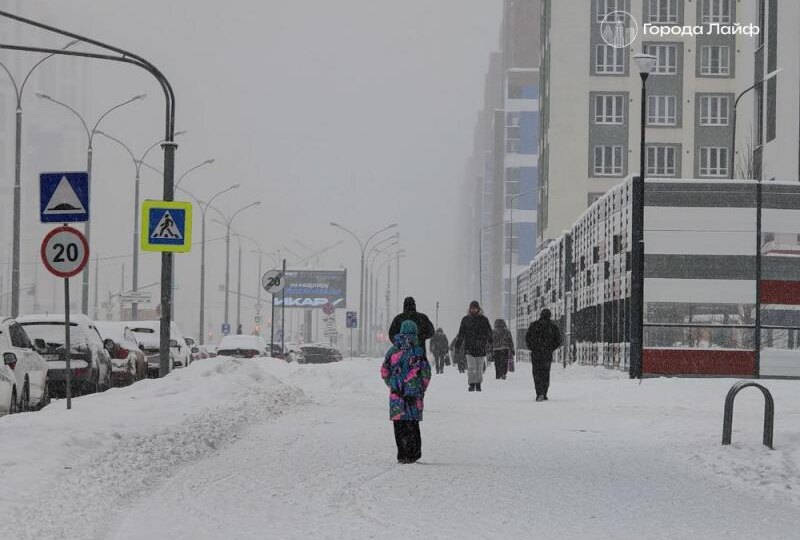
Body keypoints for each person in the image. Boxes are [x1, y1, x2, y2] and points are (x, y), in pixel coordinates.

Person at [381, 320, 431, 464]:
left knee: (399, 426)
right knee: (413, 424)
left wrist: (392, 383)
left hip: (397, 395)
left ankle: (402, 454)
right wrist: (421, 388)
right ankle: (413, 453)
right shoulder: (418, 351)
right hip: (414, 395)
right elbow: (426, 373)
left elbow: (384, 371)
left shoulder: (392, 351)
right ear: (415, 333)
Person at [453, 300, 492, 392]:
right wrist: (457, 346)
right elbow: (461, 334)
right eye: (472, 308)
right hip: (469, 348)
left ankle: (478, 384)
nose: (474, 310)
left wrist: (489, 342)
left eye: (475, 308)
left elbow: (489, 332)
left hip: (481, 348)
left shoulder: (484, 319)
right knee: (471, 367)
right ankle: (471, 383)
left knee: (479, 367)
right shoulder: (465, 320)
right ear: (470, 309)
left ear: (478, 309)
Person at [525, 308, 562, 402]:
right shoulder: (553, 327)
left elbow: (527, 338)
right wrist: (550, 348)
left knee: (536, 373)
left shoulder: (534, 325)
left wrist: (532, 348)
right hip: (547, 354)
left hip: (536, 353)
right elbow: (558, 341)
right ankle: (544, 393)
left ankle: (539, 392)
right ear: (550, 316)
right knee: (545, 373)